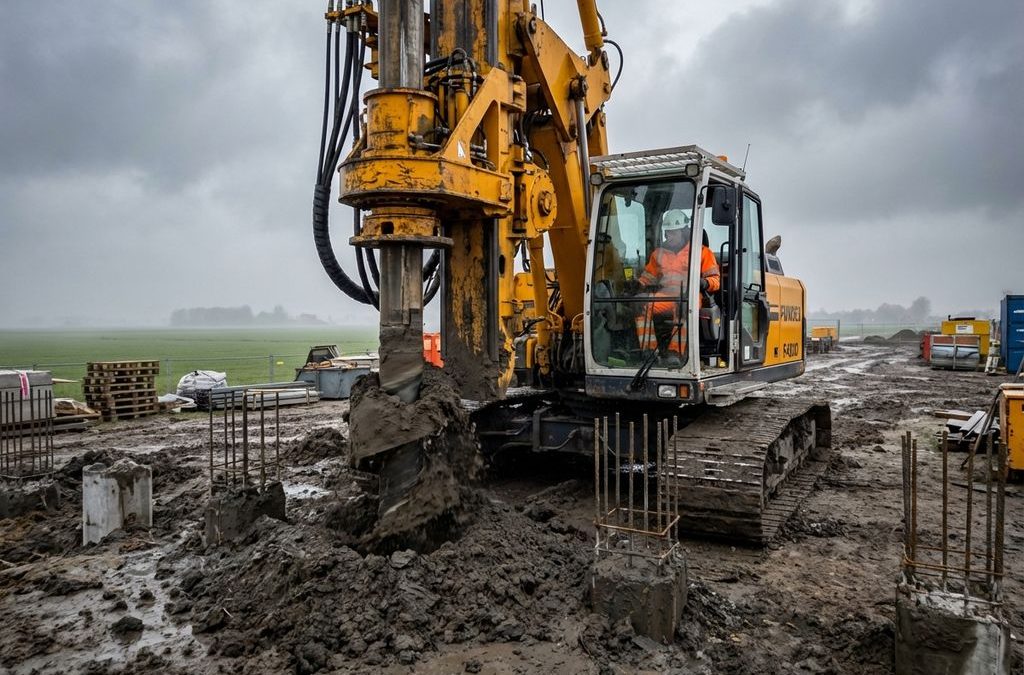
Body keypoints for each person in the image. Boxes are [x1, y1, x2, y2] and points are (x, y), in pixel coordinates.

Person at [633, 209, 720, 367]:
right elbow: (648, 277)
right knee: (641, 305)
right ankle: (649, 352)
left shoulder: (701, 252)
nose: (669, 236)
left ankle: (676, 352)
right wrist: (638, 284)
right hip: (666, 296)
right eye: (668, 233)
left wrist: (703, 283)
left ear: (684, 232)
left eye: (673, 233)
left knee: (684, 306)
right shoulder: (658, 254)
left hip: (691, 296)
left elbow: (715, 280)